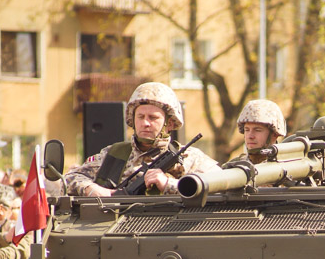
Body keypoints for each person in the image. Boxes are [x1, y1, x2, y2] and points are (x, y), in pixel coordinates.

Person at [63, 82, 219, 196]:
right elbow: (69, 179)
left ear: (169, 123)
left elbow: (222, 184)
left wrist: (169, 184)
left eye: (153, 118)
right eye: (140, 116)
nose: (145, 123)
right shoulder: (114, 154)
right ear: (133, 119)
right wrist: (96, 191)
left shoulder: (189, 157)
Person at [235, 100, 287, 164]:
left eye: (257, 130)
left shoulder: (290, 165)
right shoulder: (234, 167)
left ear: (274, 134)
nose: (250, 136)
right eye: (247, 130)